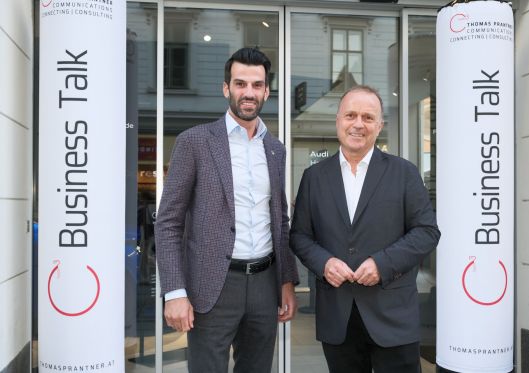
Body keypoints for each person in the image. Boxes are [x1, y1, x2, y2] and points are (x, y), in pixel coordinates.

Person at [155, 47, 299, 373]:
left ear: (266, 91)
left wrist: (286, 281)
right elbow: (168, 222)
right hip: (213, 286)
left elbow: (280, 222)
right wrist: (174, 292)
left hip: (265, 285)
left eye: (256, 85)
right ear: (226, 88)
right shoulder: (195, 142)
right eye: (240, 83)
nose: (248, 92)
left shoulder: (275, 149)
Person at [290, 85, 440, 373]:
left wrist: (382, 264)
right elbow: (299, 236)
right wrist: (325, 263)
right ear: (338, 121)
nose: (358, 124)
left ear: (379, 125)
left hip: (393, 316)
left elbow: (427, 231)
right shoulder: (314, 177)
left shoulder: (404, 173)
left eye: (368, 118)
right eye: (351, 115)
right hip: (338, 319)